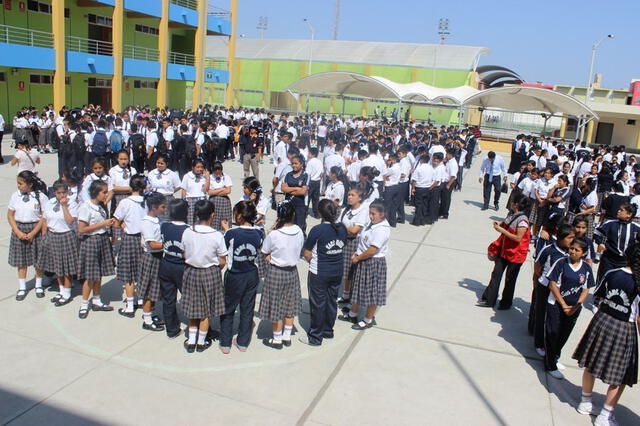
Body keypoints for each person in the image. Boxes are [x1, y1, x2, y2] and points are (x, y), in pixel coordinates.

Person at [572, 243, 640, 426]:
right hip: (624, 328)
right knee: (619, 376)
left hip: (602, 321)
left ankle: (585, 402)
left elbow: (599, 298)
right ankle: (605, 415)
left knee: (591, 364)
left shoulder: (612, 273)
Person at [181, 200, 228, 353]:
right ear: (212, 215)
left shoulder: (188, 231)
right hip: (209, 273)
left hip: (191, 271)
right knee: (205, 311)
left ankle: (191, 340)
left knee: (193, 308)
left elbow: (183, 253)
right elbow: (222, 260)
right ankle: (201, 342)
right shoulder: (216, 235)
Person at [543, 237, 594, 380]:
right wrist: (564, 305)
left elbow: (585, 290)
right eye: (571, 248)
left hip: (574, 309)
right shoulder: (561, 263)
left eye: (577, 250)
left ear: (583, 253)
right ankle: (549, 364)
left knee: (564, 334)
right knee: (552, 332)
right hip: (556, 305)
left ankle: (555, 357)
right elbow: (553, 284)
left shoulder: (586, 268)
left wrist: (576, 305)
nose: (572, 251)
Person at [259, 201, 305, 349]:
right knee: (289, 304)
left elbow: (264, 251)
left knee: (275, 305)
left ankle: (277, 338)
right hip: (292, 271)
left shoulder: (274, 234)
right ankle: (286, 335)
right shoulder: (299, 231)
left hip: (276, 272)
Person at [219, 201, 264, 353]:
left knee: (228, 308)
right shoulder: (259, 233)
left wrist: (226, 230)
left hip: (234, 275)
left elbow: (224, 250)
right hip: (252, 275)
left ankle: (225, 343)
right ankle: (242, 342)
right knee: (247, 308)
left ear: (238, 216)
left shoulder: (231, 233)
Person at [302, 198, 348, 346]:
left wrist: (311, 261)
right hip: (337, 270)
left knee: (318, 304)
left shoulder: (318, 230)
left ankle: (315, 336)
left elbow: (307, 252)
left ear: (321, 214)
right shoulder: (342, 228)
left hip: (319, 271)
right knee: (331, 301)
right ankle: (328, 330)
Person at [340, 199, 390, 330]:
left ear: (382, 214)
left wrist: (359, 257)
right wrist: (356, 253)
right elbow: (363, 241)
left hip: (373, 263)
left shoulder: (382, 229)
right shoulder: (372, 224)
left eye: (374, 214)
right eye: (370, 213)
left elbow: (373, 250)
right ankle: (353, 313)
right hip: (362, 259)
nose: (371, 216)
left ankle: (368, 319)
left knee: (372, 293)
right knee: (358, 288)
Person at [477, 194, 532, 309]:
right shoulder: (512, 215)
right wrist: (500, 225)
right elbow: (506, 226)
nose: (510, 203)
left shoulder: (523, 220)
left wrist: (502, 230)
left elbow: (518, 238)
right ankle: (489, 299)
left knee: (509, 280)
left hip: (516, 255)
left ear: (516, 205)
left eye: (512, 202)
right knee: (496, 275)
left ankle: (506, 303)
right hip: (505, 252)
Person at [532, 224, 575, 356]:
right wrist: (539, 281)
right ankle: (539, 344)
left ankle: (550, 344)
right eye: (570, 238)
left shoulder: (570, 253)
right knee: (541, 315)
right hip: (545, 287)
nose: (572, 241)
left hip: (560, 290)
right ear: (561, 238)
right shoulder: (549, 250)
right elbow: (538, 267)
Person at [77, 180, 116, 319]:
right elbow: (82, 229)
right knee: (90, 275)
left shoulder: (100, 206)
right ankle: (84, 303)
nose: (106, 195)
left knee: (98, 273)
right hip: (91, 241)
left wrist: (107, 225)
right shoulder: (86, 207)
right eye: (104, 192)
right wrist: (102, 224)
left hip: (102, 239)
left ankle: (97, 300)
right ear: (95, 192)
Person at [8, 171, 48, 301]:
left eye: (21, 183)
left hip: (35, 229)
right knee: (21, 261)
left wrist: (33, 232)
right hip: (19, 228)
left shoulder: (40, 196)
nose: (18, 186)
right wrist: (17, 231)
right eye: (18, 183)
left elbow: (43, 217)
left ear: (30, 184)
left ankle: (38, 285)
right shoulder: (15, 196)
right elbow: (10, 215)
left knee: (38, 259)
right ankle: (22, 287)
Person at [39, 180, 80, 306]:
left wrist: (64, 206)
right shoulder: (49, 203)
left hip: (66, 235)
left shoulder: (72, 204)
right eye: (58, 193)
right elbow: (45, 220)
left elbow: (70, 221)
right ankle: (62, 290)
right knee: (58, 266)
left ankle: (67, 293)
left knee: (67, 266)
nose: (62, 195)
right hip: (53, 235)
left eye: (64, 192)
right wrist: (44, 237)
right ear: (54, 193)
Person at [113, 174, 146, 318]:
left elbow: (115, 222)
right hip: (144, 239)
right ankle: (140, 299)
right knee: (141, 272)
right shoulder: (147, 202)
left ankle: (130, 305)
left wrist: (123, 225)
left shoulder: (125, 202)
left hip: (129, 239)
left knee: (128, 274)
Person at [158, 199, 190, 339]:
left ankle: (172, 329)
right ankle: (196, 326)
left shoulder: (164, 226)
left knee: (168, 299)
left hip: (166, 264)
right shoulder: (188, 230)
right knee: (190, 297)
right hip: (182, 267)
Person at [137, 192, 167, 331]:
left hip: (158, 257)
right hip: (151, 258)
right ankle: (147, 320)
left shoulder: (157, 220)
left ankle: (151, 313)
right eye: (162, 206)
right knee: (149, 290)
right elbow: (152, 244)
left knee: (155, 289)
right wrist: (168, 244)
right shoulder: (146, 223)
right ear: (153, 207)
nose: (164, 209)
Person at [594, 203, 640, 281]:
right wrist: (600, 243)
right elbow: (597, 233)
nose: (618, 211)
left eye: (621, 210)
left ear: (629, 214)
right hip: (609, 259)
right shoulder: (610, 223)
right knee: (604, 280)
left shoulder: (636, 228)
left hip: (625, 262)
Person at [147, 154, 181, 221]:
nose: (159, 165)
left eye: (162, 163)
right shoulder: (151, 173)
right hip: (155, 199)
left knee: (167, 219)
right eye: (158, 163)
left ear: (166, 164)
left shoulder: (172, 174)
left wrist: (170, 192)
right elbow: (148, 186)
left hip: (167, 199)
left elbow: (178, 186)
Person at [281, 154, 309, 233]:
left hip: (300, 205)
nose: (293, 165)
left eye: (296, 163)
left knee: (300, 226)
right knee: (288, 225)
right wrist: (296, 188)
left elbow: (303, 191)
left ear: (301, 164)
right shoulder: (288, 175)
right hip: (289, 204)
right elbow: (283, 189)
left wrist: (289, 190)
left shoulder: (305, 175)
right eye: (292, 163)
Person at [181, 159, 210, 225]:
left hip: (201, 199)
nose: (200, 169)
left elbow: (206, 190)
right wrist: (184, 203)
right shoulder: (187, 176)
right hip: (190, 200)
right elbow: (184, 190)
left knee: (200, 220)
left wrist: (208, 178)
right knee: (190, 221)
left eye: (201, 167)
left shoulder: (204, 176)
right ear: (193, 167)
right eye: (198, 167)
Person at [207, 161, 232, 231]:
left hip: (224, 201)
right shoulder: (210, 177)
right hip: (213, 201)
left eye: (219, 172)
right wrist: (221, 189)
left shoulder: (226, 177)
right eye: (216, 172)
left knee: (224, 219)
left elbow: (228, 191)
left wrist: (214, 191)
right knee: (213, 219)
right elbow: (209, 191)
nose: (218, 174)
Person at [306, 147, 323, 219]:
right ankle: (316, 213)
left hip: (311, 181)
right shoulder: (319, 161)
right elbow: (321, 173)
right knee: (316, 198)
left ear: (312, 154)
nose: (307, 155)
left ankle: (305, 211)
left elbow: (308, 174)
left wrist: (306, 184)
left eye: (309, 153)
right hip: (317, 181)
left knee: (307, 197)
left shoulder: (310, 162)